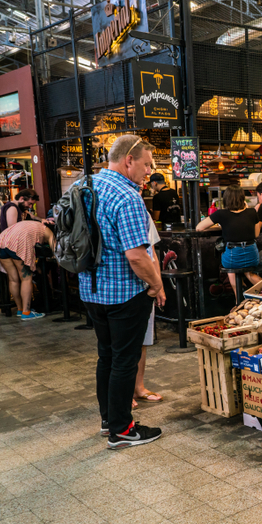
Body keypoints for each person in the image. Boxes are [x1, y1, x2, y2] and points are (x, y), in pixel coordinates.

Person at [81, 134, 165, 450]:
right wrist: (155, 285)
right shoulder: (127, 197)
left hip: (91, 290)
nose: (148, 171)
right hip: (124, 293)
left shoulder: (86, 186)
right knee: (125, 361)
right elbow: (136, 255)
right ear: (128, 160)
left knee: (107, 356)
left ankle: (109, 421)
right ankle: (122, 431)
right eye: (146, 164)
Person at [196, 185, 262, 295]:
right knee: (248, 272)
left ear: (226, 199)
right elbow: (255, 234)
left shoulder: (221, 214)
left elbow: (199, 227)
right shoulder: (252, 212)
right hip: (252, 256)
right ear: (242, 198)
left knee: (231, 271)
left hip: (232, 257)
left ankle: (238, 300)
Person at [0, 220, 55, 320]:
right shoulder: (48, 231)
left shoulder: (33, 224)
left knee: (13, 279)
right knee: (26, 278)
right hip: (18, 242)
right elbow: (53, 247)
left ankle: (20, 309)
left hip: (1, 242)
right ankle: (26, 312)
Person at [134, 215, 163, 408]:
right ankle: (123, 393)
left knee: (143, 341)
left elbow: (151, 251)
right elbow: (135, 256)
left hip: (146, 286)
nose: (144, 182)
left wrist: (158, 284)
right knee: (123, 346)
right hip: (124, 289)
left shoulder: (142, 211)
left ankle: (139, 387)